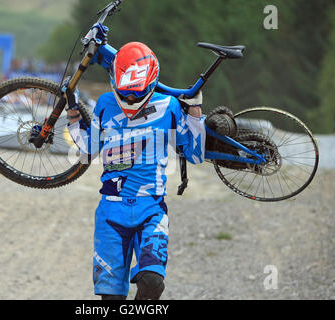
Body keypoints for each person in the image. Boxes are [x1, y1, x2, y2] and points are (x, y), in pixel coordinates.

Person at [65, 42, 234, 300]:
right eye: (125, 94)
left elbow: (195, 155)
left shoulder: (169, 106)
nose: (130, 99)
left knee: (153, 282)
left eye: (136, 94)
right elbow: (89, 150)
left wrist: (195, 111)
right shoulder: (104, 103)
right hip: (111, 211)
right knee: (110, 299)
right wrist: (74, 117)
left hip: (151, 210)